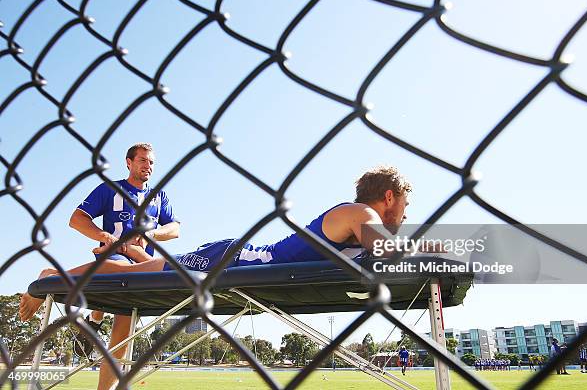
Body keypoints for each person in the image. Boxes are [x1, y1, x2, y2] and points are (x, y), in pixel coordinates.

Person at [21, 166, 427, 390]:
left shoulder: (364, 221)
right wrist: (448, 248)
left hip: (238, 262)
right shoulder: (362, 214)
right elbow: (390, 253)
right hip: (232, 261)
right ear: (388, 197)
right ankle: (51, 278)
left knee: (139, 269)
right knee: (135, 274)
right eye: (404, 205)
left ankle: (77, 271)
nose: (405, 216)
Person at [68, 143, 180, 358]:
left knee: (125, 321)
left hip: (143, 261)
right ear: (129, 162)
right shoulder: (109, 189)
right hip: (116, 254)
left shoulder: (159, 196)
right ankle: (95, 317)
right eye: (142, 160)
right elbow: (77, 219)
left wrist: (152, 234)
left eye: (151, 162)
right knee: (119, 272)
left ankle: (95, 320)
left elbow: (175, 229)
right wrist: (104, 236)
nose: (148, 165)